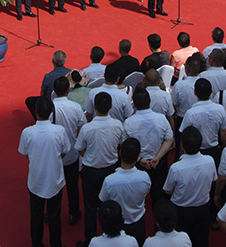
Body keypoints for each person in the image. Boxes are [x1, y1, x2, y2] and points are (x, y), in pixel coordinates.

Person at [19, 97, 70, 247]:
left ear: (36, 112)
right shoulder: (59, 131)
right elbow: (65, 151)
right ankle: (56, 244)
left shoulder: (28, 132)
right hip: (55, 180)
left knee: (36, 215)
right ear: (51, 112)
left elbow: (25, 152)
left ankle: (36, 243)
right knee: (54, 215)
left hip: (36, 181)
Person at [76, 93, 125, 246]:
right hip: (111, 169)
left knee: (90, 207)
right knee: (111, 204)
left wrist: (89, 157)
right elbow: (121, 144)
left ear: (95, 107)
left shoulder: (87, 128)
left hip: (91, 171)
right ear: (110, 106)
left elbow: (80, 148)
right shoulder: (118, 125)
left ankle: (89, 240)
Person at [163, 126, 217, 247]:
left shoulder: (176, 168)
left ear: (182, 146)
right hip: (203, 209)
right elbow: (214, 179)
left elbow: (168, 191)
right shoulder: (210, 161)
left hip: (182, 211)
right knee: (201, 241)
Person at [124, 88, 174, 205]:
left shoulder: (129, 123)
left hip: (139, 163)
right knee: (159, 196)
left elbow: (125, 146)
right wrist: (157, 158)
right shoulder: (161, 118)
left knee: (137, 198)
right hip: (157, 162)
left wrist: (140, 160)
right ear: (149, 100)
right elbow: (169, 140)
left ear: (134, 104)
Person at [99, 137, 152, 244]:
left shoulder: (110, 181)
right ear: (137, 156)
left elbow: (103, 200)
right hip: (138, 223)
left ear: (120, 153)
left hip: (117, 224)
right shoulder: (144, 177)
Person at [51, 75, 86, 227]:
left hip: (56, 154)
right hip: (71, 152)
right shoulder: (76, 107)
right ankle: (74, 212)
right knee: (72, 185)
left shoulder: (50, 108)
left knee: (54, 186)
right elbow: (81, 127)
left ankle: (54, 213)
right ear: (68, 90)